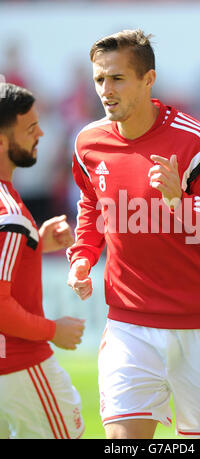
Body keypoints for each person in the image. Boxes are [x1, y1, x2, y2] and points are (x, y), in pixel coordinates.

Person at [67, 29, 200, 440]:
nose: (105, 90)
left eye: (117, 78)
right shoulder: (87, 143)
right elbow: (92, 205)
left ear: (148, 79)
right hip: (127, 324)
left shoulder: (195, 143)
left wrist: (180, 203)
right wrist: (82, 256)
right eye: (99, 79)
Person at [0, 83, 85, 439]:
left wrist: (35, 242)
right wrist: (54, 331)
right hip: (18, 366)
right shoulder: (9, 212)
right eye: (31, 128)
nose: (42, 133)